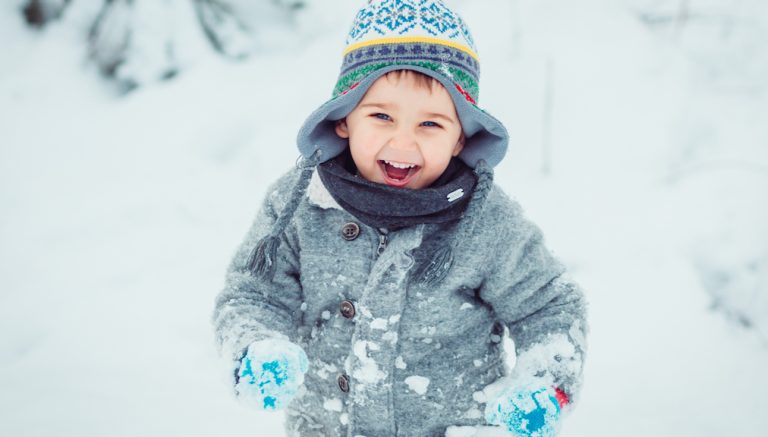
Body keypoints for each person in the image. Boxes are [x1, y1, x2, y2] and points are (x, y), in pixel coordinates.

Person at [212, 1, 588, 436]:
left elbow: (549, 305)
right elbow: (253, 293)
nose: (403, 141)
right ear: (343, 120)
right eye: (382, 116)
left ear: (460, 138)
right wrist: (254, 347)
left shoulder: (484, 221)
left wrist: (545, 384)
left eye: (430, 124)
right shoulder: (301, 204)